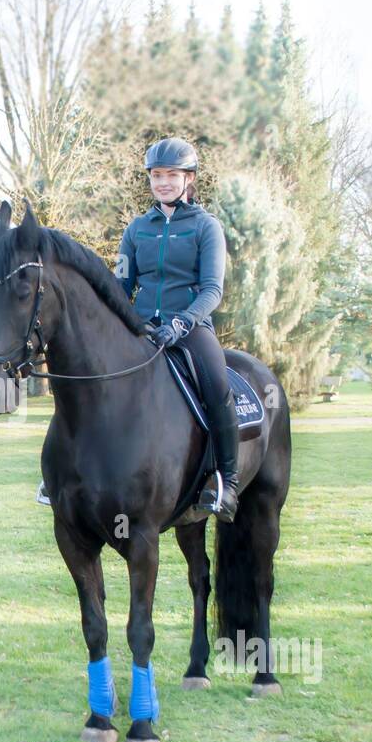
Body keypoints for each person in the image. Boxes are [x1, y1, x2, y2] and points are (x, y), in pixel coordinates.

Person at [117, 137, 240, 521]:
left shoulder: (206, 227)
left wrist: (181, 322)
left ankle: (228, 483)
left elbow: (212, 290)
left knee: (218, 389)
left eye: (172, 175)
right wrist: (124, 321)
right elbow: (120, 286)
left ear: (189, 178)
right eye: (157, 175)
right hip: (141, 327)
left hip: (189, 327)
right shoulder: (136, 229)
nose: (163, 182)